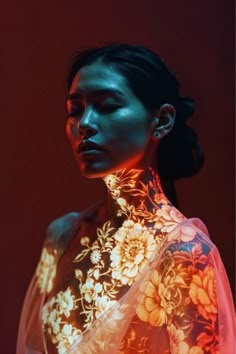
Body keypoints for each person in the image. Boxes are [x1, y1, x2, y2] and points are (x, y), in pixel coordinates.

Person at [17, 44, 235, 354]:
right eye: (75, 110)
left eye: (106, 105)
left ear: (161, 121)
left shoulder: (185, 252)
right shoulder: (62, 237)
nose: (85, 124)